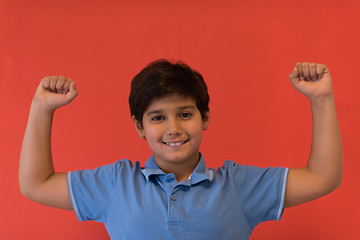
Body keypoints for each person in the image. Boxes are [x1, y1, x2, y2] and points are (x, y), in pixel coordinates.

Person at [19, 60, 343, 239]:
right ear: (138, 127)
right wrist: (41, 108)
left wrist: (321, 99)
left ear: (205, 118)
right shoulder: (116, 184)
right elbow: (37, 184)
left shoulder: (238, 187)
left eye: (185, 114)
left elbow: (322, 177)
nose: (173, 128)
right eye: (158, 117)